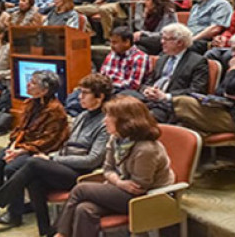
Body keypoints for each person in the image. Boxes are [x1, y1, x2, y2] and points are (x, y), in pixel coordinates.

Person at [0, 74, 112, 236]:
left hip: (82, 173)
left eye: (85, 93)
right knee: (33, 177)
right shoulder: (82, 116)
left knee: (34, 163)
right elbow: (65, 147)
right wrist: (20, 148)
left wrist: (50, 158)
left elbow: (92, 160)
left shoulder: (105, 123)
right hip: (63, 165)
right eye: (80, 92)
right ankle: (45, 231)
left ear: (100, 97)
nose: (79, 97)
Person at [0, 70, 69, 226]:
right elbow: (19, 129)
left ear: (45, 90)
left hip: (40, 151)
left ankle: (14, 214)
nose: (28, 85)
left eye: (33, 83)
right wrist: (12, 146)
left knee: (12, 168)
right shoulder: (30, 103)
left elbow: (48, 140)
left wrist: (21, 150)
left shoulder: (55, 110)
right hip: (21, 146)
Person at [54, 95, 174, 237]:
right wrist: (119, 182)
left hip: (148, 199)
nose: (104, 121)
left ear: (125, 121)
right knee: (84, 209)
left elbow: (138, 187)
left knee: (81, 189)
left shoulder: (146, 149)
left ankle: (60, 234)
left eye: (109, 116)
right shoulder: (116, 138)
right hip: (122, 190)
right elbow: (108, 169)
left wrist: (115, 181)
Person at [131, 23, 209, 122]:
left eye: (166, 39)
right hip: (150, 99)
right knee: (122, 102)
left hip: (170, 105)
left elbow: (197, 90)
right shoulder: (162, 59)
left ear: (180, 42)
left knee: (144, 118)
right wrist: (147, 89)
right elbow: (149, 81)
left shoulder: (197, 62)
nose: (162, 42)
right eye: (162, 38)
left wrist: (166, 96)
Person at [173, 35, 235, 135]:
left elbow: (230, 89)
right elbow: (220, 92)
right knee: (184, 123)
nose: (233, 54)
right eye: (232, 50)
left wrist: (233, 69)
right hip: (227, 109)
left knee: (180, 103)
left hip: (234, 118)